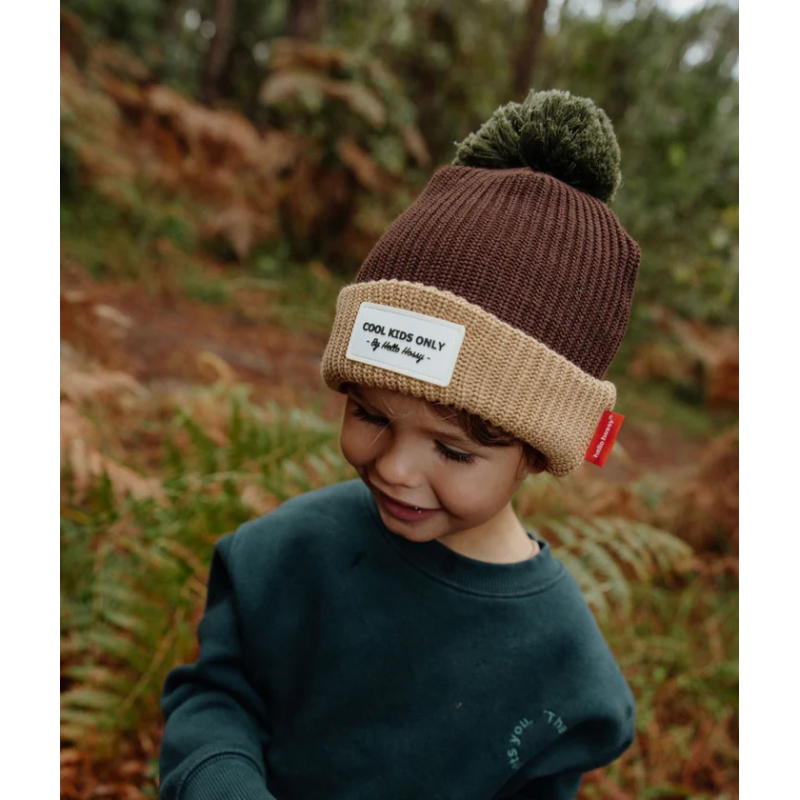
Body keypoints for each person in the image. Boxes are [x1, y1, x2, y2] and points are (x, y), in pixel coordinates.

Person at [159, 88, 640, 800]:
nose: (393, 466)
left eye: (452, 450)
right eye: (370, 414)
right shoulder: (292, 552)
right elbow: (217, 696)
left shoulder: (560, 662)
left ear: (537, 451)